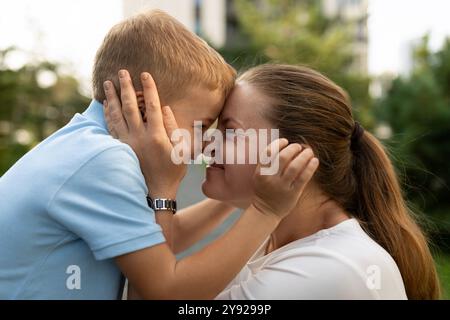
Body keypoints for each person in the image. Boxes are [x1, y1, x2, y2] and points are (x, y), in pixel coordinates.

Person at [0, 10, 318, 299]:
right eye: (202, 125)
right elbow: (165, 290)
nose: (204, 145)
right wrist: (266, 210)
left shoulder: (86, 143)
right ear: (143, 107)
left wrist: (233, 193)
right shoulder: (103, 160)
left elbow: (160, 243)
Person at [105, 64, 441, 300]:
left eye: (230, 131)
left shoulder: (332, 269)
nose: (208, 144)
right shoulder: (281, 240)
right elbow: (162, 258)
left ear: (295, 156)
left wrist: (161, 186)